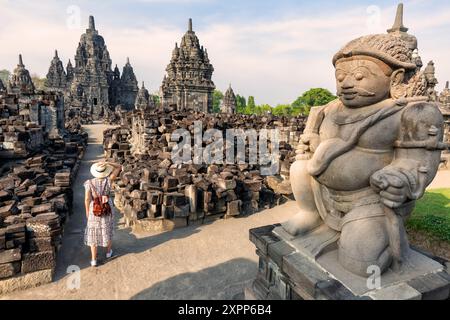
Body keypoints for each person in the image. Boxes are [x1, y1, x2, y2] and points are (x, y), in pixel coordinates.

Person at [84, 161, 122, 267]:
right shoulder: (109, 180)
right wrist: (107, 162)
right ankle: (108, 252)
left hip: (94, 209)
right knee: (107, 228)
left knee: (93, 232)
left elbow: (87, 199)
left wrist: (87, 212)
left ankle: (93, 259)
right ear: (105, 171)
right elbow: (119, 166)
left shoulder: (89, 183)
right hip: (107, 207)